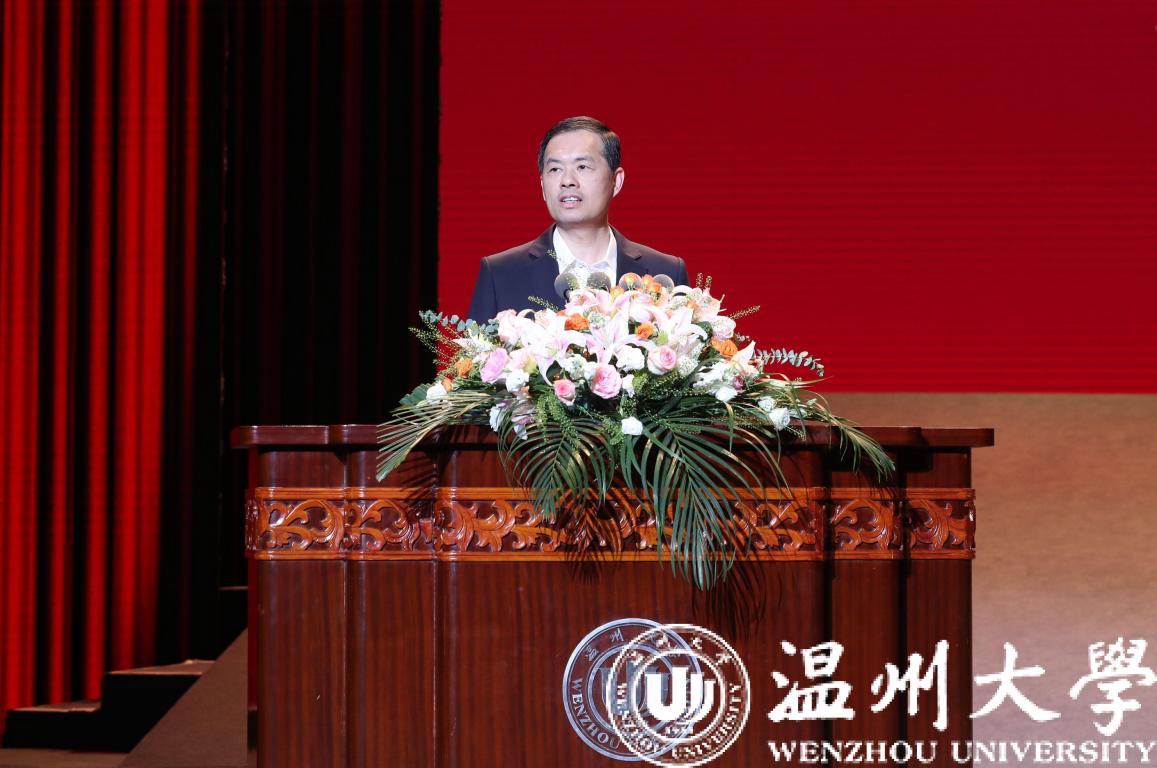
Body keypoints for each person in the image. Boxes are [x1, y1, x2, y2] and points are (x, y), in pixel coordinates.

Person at [467, 116, 688, 323]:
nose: (567, 181)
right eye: (555, 169)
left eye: (582, 167)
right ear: (542, 186)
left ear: (616, 181)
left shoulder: (665, 272)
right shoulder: (500, 274)